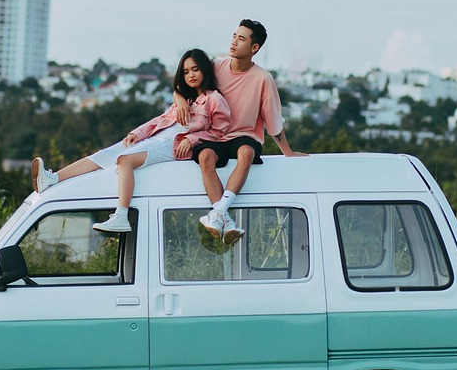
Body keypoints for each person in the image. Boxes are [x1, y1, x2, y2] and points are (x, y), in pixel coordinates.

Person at [31, 49, 231, 233]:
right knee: (104, 154)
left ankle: (121, 215)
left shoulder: (215, 99)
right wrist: (138, 133)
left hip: (174, 145)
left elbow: (219, 132)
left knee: (124, 160)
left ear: (205, 70)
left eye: (195, 70)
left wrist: (192, 139)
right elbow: (161, 120)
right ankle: (53, 179)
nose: (191, 75)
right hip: (156, 137)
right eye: (186, 72)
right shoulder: (184, 99)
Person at [177, 19, 306, 245]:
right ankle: (223, 218)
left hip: (244, 136)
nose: (234, 42)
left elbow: (273, 120)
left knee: (246, 152)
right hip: (214, 134)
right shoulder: (216, 67)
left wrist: (288, 152)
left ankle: (219, 212)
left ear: (254, 47)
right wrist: (179, 101)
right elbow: (182, 85)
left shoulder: (263, 78)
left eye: (241, 39)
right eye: (234, 36)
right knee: (205, 157)